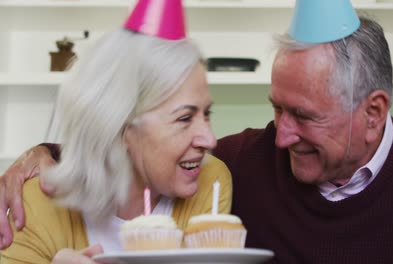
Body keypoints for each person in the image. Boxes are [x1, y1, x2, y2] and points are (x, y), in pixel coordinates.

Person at [2, 1, 393, 263]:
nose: (281, 136)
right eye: (276, 110)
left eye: (304, 116)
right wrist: (47, 154)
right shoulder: (239, 163)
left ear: (373, 112)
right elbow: (139, 151)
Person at [0, 0, 232, 263]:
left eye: (206, 114)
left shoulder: (208, 182)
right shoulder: (37, 205)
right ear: (120, 127)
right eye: (185, 118)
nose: (210, 139)